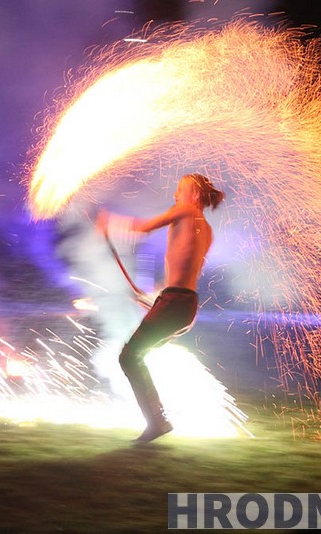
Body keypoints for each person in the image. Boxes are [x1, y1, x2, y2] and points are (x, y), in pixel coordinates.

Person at [97, 172, 225, 442]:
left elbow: (142, 228)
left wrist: (110, 222)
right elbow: (185, 270)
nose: (175, 195)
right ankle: (160, 418)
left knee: (129, 357)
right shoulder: (208, 230)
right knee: (137, 355)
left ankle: (158, 421)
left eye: (180, 189)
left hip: (175, 302)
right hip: (186, 305)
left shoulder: (185, 210)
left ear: (195, 195)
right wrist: (156, 298)